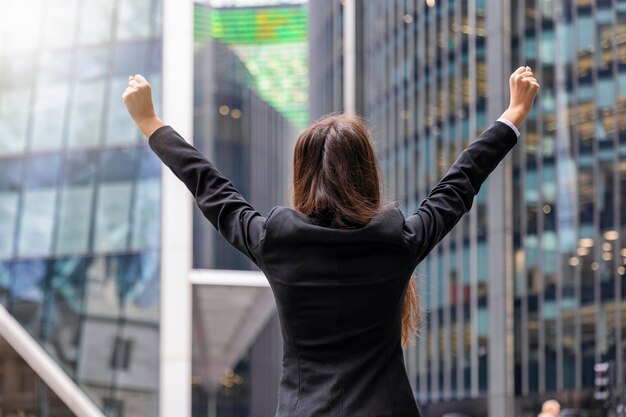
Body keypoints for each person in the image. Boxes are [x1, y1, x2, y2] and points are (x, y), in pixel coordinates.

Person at [123, 67, 539, 416]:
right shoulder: (396, 242)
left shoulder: (276, 242)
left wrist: (151, 124)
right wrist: (512, 115)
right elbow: (457, 186)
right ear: (366, 173)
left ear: (302, 173)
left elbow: (210, 187)